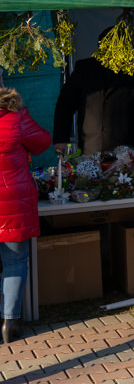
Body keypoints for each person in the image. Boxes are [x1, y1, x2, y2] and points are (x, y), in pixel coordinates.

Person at [0, 88, 51, 343]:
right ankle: (10, 323)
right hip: (12, 206)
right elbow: (42, 142)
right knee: (15, 262)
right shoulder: (16, 117)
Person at [53, 30, 134, 156]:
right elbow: (65, 105)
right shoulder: (84, 69)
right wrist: (61, 138)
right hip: (91, 146)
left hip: (126, 150)